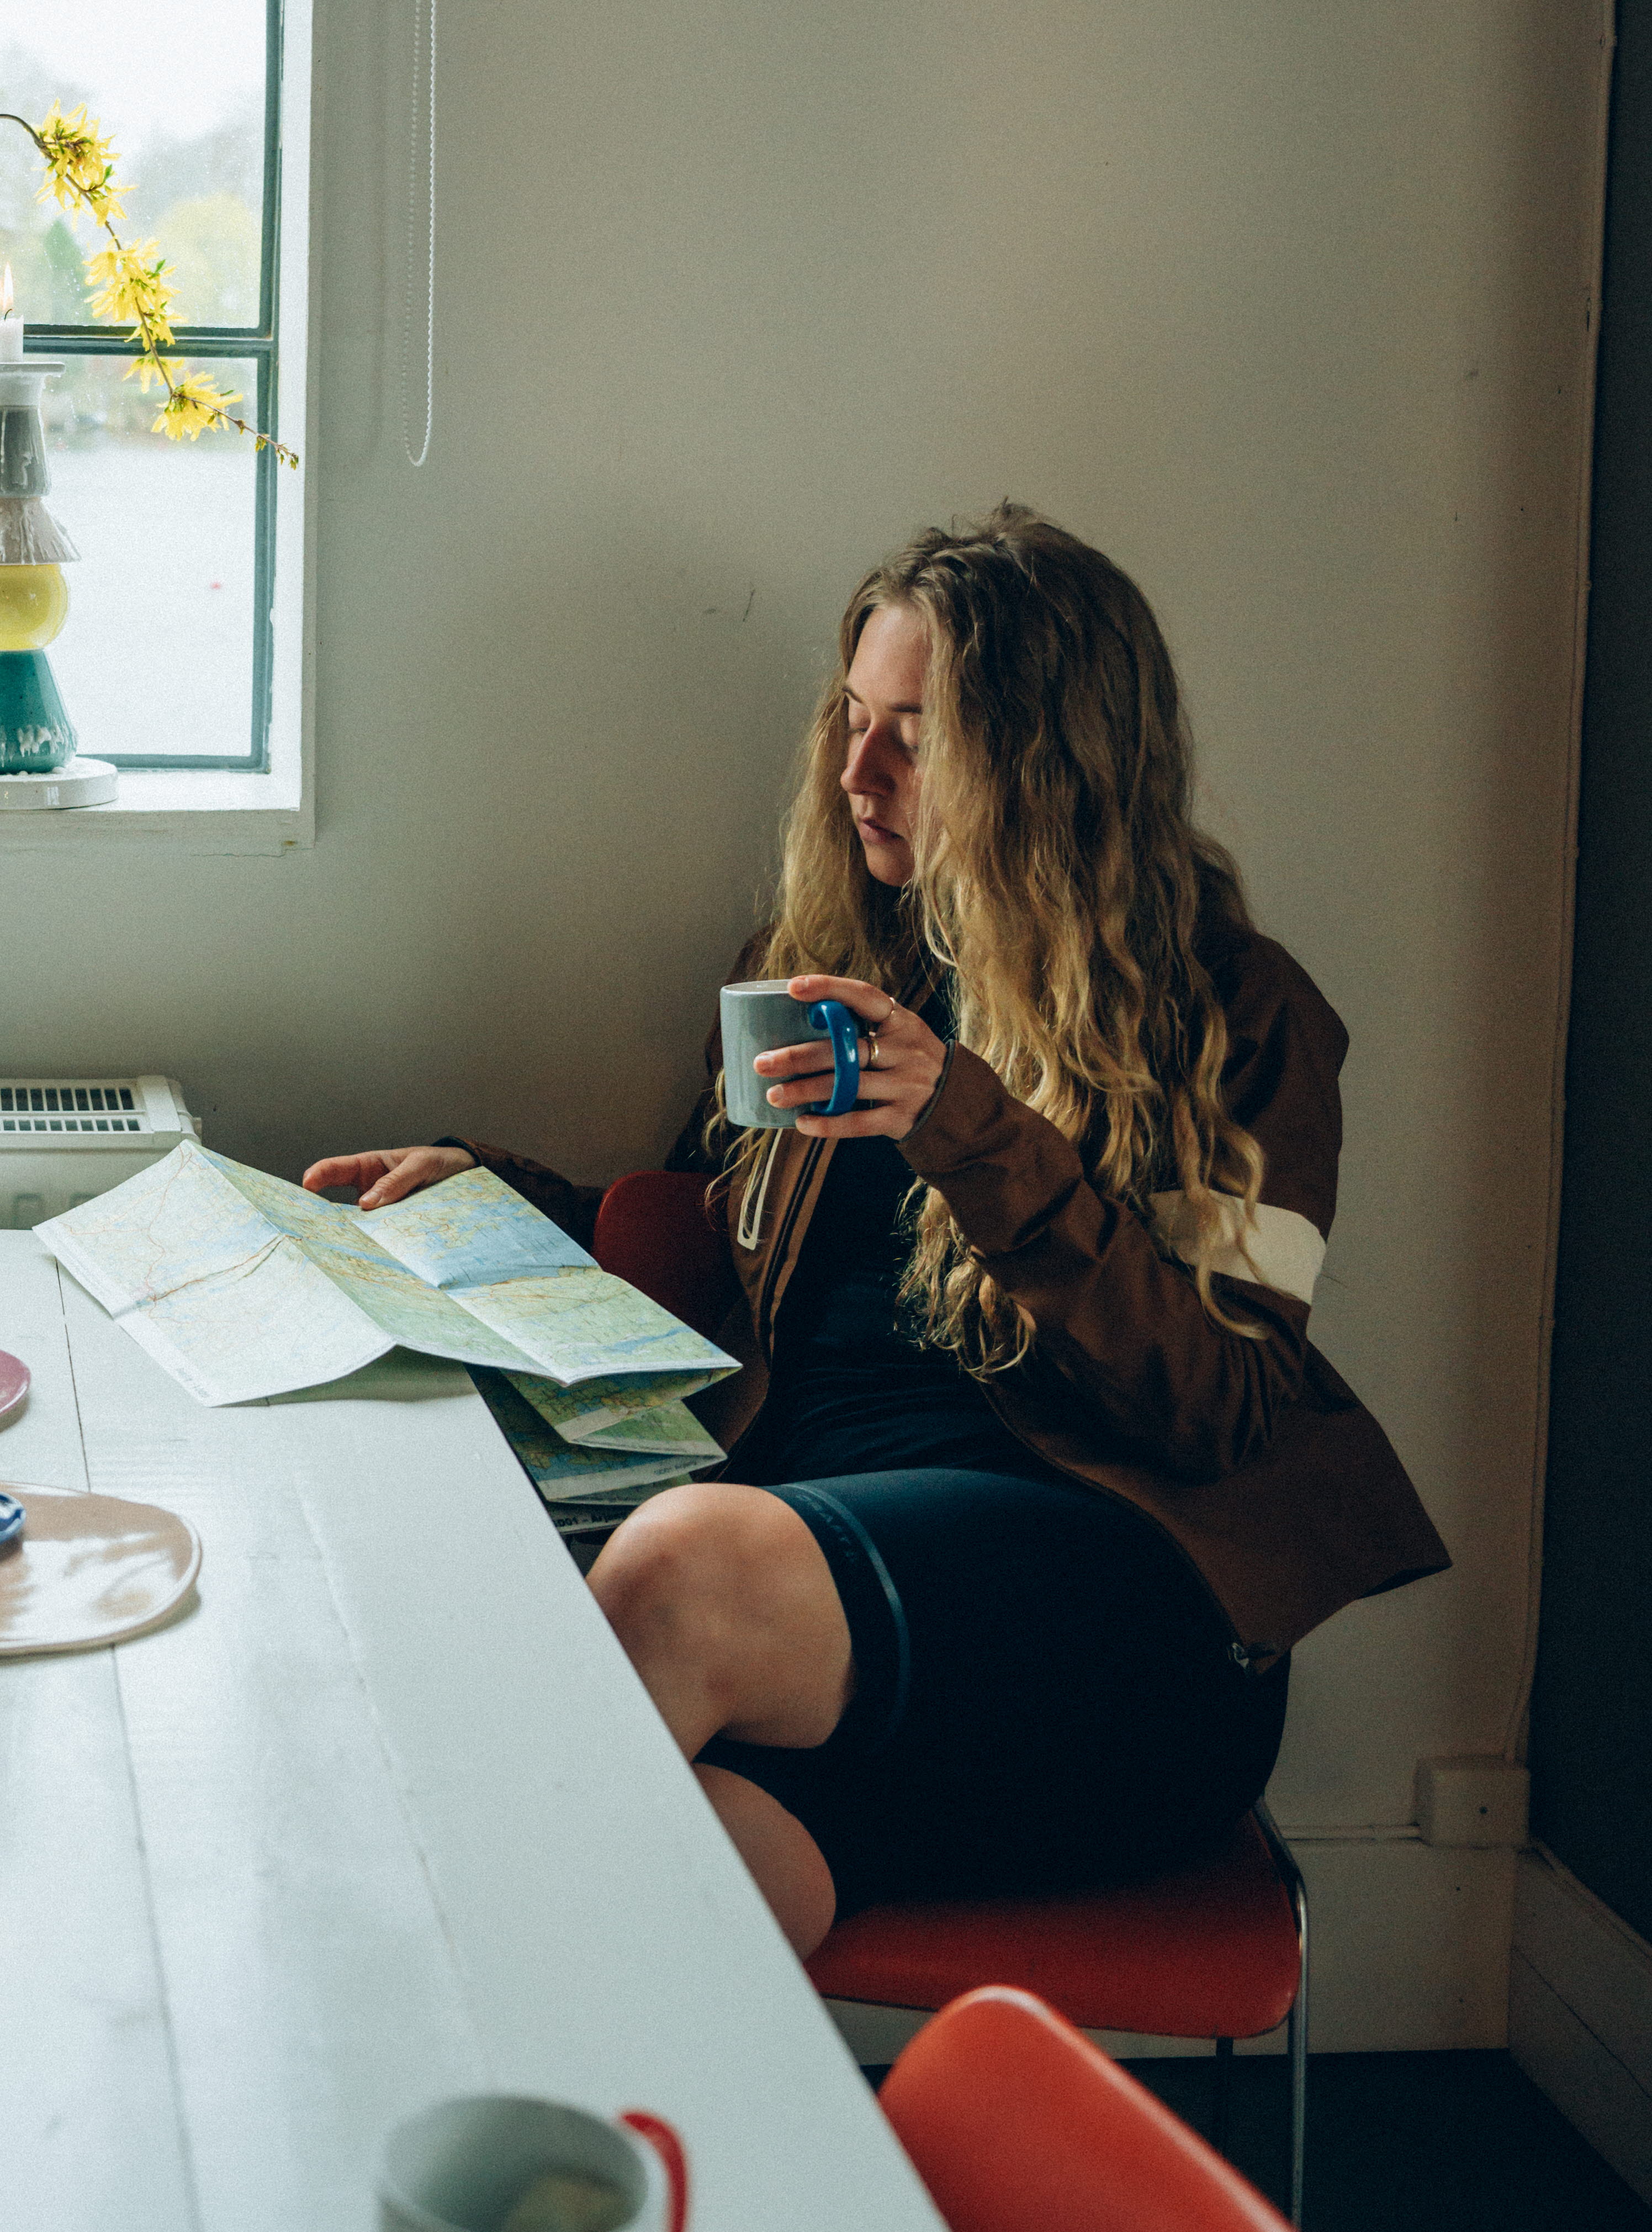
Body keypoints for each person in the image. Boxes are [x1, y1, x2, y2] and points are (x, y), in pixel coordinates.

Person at [304, 506, 1447, 1956]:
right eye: (852, 721)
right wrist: (494, 1197)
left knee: (680, 1566)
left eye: (916, 736)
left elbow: (1224, 1405)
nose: (858, 773)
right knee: (672, 1860)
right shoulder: (834, 968)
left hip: (1116, 1618)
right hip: (826, 1607)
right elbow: (714, 1240)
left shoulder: (1234, 1018)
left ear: (1050, 764)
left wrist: (968, 1126)